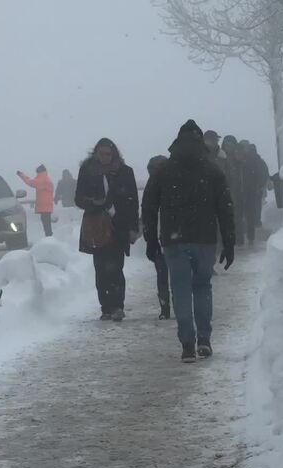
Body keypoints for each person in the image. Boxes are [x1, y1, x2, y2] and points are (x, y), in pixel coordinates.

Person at [142, 120, 235, 363]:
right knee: (202, 287)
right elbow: (225, 208)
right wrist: (229, 241)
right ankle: (204, 339)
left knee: (181, 290)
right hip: (204, 239)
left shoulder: (164, 171)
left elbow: (149, 206)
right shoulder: (212, 171)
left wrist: (151, 240)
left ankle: (187, 344)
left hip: (174, 240)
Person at [75, 138, 140, 322]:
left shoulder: (125, 172)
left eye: (108, 154)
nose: (105, 158)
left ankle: (118, 306)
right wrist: (94, 203)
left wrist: (133, 227)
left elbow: (133, 201)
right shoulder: (88, 171)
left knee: (116, 268)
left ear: (114, 155)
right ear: (95, 154)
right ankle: (106, 307)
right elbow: (79, 199)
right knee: (101, 269)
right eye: (101, 154)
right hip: (97, 226)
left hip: (119, 226)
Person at [142, 155, 171, 319]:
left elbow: (147, 214)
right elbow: (147, 215)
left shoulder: (152, 187)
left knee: (163, 276)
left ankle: (165, 309)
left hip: (166, 239)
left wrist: (150, 240)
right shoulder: (157, 187)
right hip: (168, 239)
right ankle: (172, 307)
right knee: (174, 276)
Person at [243, 143, 270, 245]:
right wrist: (262, 185)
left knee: (250, 209)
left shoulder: (247, 161)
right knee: (256, 207)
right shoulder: (260, 161)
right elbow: (265, 173)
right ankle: (256, 223)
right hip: (257, 189)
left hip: (250, 190)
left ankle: (251, 226)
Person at [18, 164, 55, 237]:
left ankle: (49, 237)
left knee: (46, 223)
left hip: (44, 206)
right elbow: (32, 181)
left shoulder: (42, 179)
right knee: (46, 222)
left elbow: (31, 182)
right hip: (47, 205)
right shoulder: (45, 178)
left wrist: (22, 175)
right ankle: (49, 236)